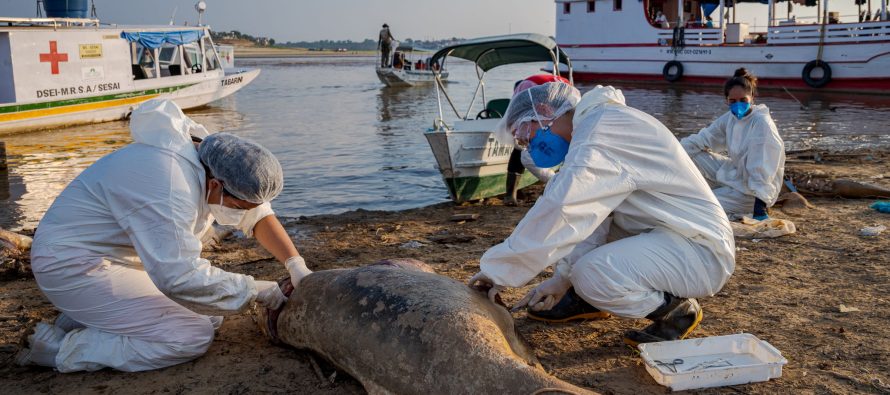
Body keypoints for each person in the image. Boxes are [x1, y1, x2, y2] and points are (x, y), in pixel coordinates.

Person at [17, 99, 313, 372]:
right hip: (71, 265)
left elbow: (257, 214)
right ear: (217, 185)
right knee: (190, 336)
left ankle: (86, 317)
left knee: (211, 313)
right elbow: (178, 277)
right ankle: (58, 350)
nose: (239, 213)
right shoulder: (171, 184)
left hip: (114, 257)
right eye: (237, 206)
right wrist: (256, 290)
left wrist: (295, 263)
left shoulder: (209, 159)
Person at [468, 82, 735, 346]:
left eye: (526, 134)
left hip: (700, 249)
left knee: (591, 275)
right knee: (582, 267)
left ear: (543, 110)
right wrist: (562, 280)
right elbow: (593, 218)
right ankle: (586, 297)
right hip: (671, 235)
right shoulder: (595, 127)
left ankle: (675, 311)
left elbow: (563, 207)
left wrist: (497, 271)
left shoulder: (601, 131)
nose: (529, 146)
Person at [680, 68, 785, 220]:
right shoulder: (730, 117)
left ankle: (732, 201)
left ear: (752, 98)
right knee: (691, 154)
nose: (738, 105)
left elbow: (763, 169)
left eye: (743, 101)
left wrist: (760, 207)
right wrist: (671, 150)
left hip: (751, 193)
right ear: (727, 100)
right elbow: (703, 138)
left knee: (700, 205)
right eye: (733, 101)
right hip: (736, 174)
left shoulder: (762, 124)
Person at [504, 74, 571, 206]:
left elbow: (515, 115)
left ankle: (510, 194)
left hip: (549, 108)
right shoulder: (565, 85)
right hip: (561, 110)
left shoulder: (525, 87)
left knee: (520, 149)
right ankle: (560, 183)